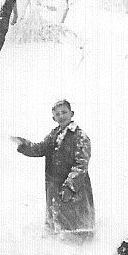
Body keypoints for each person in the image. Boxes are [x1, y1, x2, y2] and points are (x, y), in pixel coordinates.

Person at [12, 99, 95, 243]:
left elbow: (81, 165)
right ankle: (59, 250)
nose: (61, 116)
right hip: (55, 186)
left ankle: (81, 251)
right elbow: (41, 148)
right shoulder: (55, 134)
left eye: (64, 112)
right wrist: (25, 145)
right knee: (58, 224)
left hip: (75, 189)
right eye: (57, 114)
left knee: (75, 227)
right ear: (53, 118)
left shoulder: (79, 136)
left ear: (72, 114)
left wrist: (70, 185)